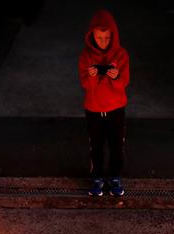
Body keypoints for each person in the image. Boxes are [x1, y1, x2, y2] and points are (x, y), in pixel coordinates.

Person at [78, 9, 130, 197]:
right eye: (99, 38)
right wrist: (93, 76)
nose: (103, 42)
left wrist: (115, 77)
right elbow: (86, 84)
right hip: (93, 109)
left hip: (116, 109)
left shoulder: (121, 55)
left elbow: (124, 82)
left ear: (113, 36)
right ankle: (97, 177)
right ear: (92, 36)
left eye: (107, 38)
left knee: (117, 145)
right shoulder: (86, 56)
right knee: (96, 146)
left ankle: (115, 177)